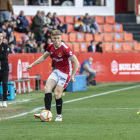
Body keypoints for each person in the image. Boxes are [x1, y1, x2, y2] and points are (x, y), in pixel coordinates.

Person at [26, 30, 79, 121]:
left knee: (57, 94)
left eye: (58, 38)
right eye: (55, 38)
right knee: (47, 89)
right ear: (51, 38)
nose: (57, 40)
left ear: (61, 38)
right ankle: (47, 113)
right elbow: (43, 57)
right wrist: (32, 65)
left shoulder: (66, 49)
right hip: (57, 70)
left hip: (65, 73)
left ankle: (59, 116)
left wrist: (72, 75)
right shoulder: (50, 47)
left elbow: (76, 62)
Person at [0, 31, 9, 107]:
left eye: (1, 36)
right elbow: (2, 55)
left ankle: (5, 100)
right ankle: (0, 99)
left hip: (5, 68)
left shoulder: (5, 46)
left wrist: (2, 56)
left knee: (5, 84)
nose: (0, 38)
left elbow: (5, 55)